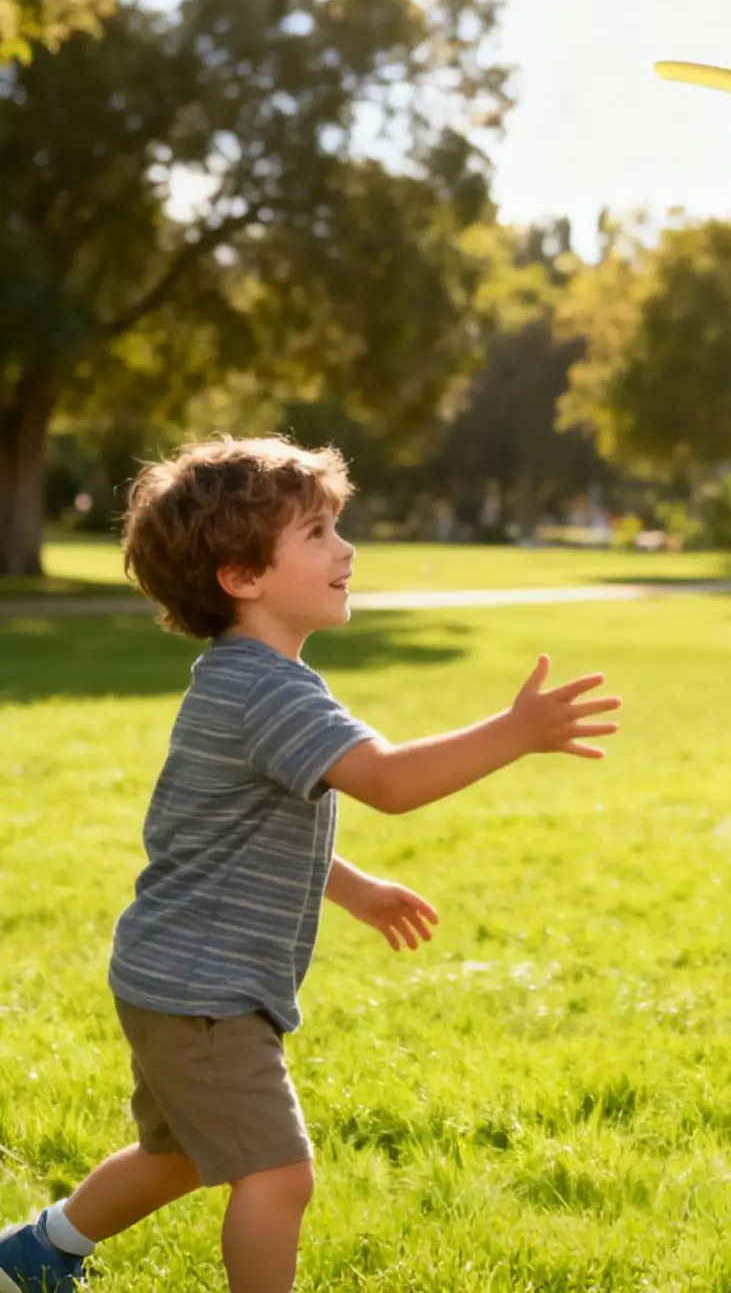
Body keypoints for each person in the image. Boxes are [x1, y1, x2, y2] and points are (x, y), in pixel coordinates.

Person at [0, 436, 620, 1293]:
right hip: (203, 989)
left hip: (172, 975)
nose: (347, 550)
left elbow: (241, 829)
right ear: (242, 577)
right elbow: (391, 782)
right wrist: (514, 732)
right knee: (277, 1174)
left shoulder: (241, 677)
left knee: (180, 1152)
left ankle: (36, 1252)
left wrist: (354, 886)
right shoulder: (267, 689)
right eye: (319, 534)